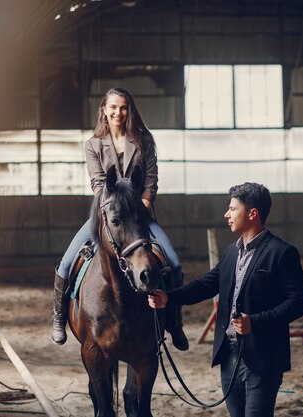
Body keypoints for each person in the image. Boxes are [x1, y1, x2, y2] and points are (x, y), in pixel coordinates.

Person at [148, 182, 303, 417]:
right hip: (229, 357)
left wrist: (255, 321)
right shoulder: (231, 252)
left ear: (252, 214)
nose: (227, 214)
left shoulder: (282, 253)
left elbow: (299, 302)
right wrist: (167, 298)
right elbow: (206, 285)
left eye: (233, 209)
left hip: (263, 359)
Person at [51, 87, 189, 351]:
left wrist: (144, 202)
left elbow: (151, 178)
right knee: (66, 264)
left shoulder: (144, 140)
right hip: (108, 215)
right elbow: (98, 182)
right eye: (113, 107)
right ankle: (58, 317)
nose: (118, 112)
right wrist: (112, 208)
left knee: (174, 263)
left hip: (139, 217)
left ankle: (175, 322)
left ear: (130, 110)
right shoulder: (92, 145)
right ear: (104, 110)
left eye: (123, 107)